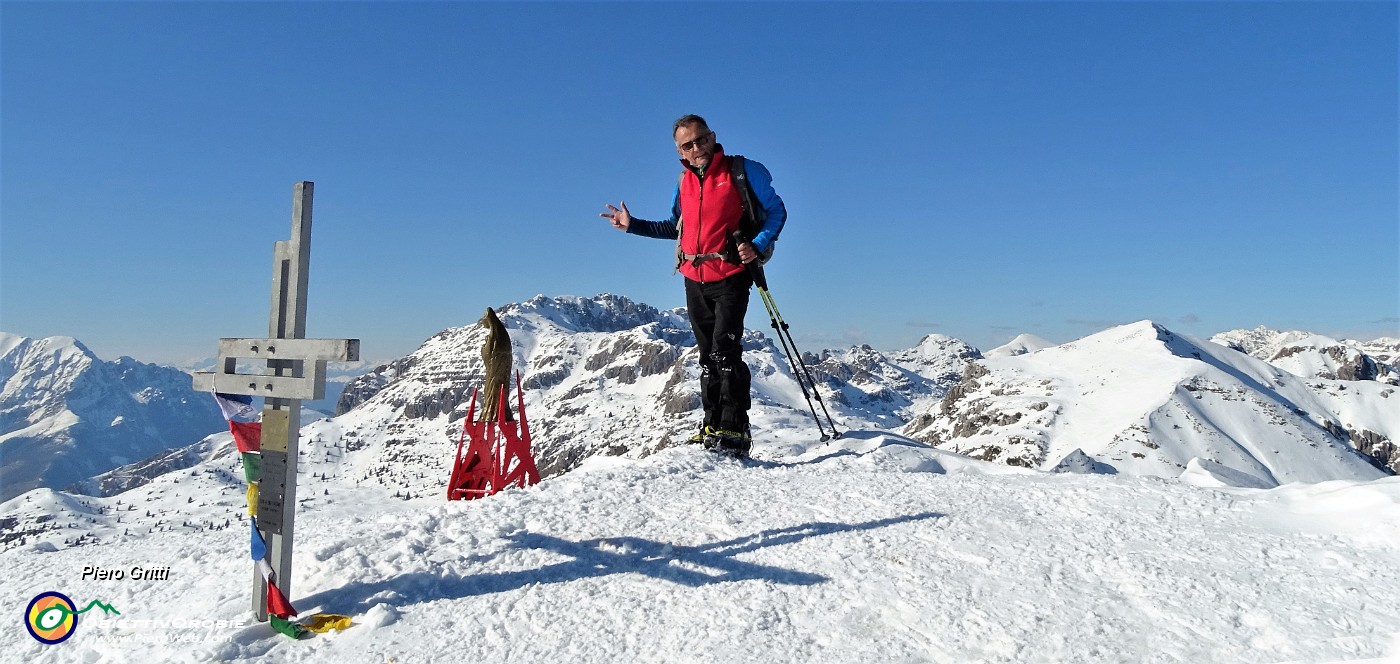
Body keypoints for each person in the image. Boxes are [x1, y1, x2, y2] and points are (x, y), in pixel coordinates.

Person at [600, 114, 786, 457]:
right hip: (694, 278)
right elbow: (677, 228)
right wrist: (632, 225)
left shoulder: (742, 171)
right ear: (680, 153)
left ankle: (735, 429)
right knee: (706, 357)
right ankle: (712, 425)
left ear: (713, 137)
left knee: (725, 352)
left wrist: (757, 245)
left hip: (731, 275)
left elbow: (777, 212)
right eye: (688, 144)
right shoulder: (683, 182)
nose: (697, 148)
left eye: (701, 139)